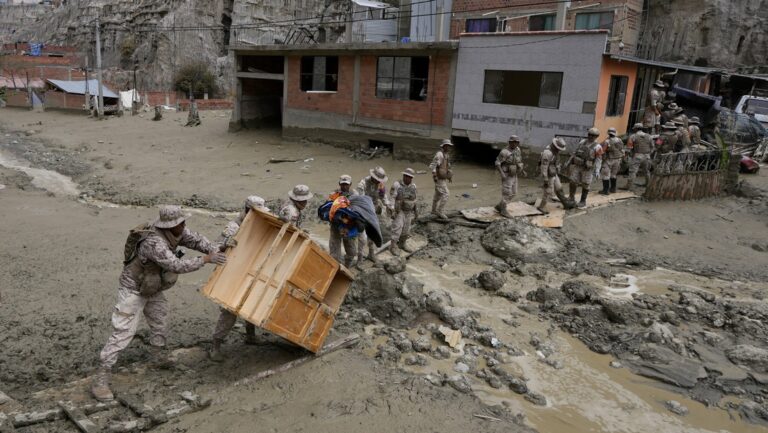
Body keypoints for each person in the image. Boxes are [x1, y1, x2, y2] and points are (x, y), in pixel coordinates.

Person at [92, 205, 227, 401]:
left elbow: (197, 240)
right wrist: (206, 259)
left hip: (152, 286)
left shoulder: (178, 231)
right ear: (169, 226)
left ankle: (158, 357)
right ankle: (101, 378)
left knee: (159, 320)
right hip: (133, 289)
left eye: (183, 222)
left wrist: (215, 249)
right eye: (181, 223)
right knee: (123, 332)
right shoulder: (154, 242)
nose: (184, 226)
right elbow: (176, 265)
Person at [209, 196, 269, 363]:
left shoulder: (258, 222)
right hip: (232, 273)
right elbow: (214, 247)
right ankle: (215, 346)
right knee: (229, 311)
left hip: (251, 269)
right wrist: (225, 244)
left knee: (250, 302)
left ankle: (250, 336)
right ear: (248, 210)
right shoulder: (233, 227)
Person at [356, 167, 389, 263]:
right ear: (372, 176)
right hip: (364, 210)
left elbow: (383, 197)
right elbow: (360, 199)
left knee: (373, 232)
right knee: (362, 237)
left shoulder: (380, 185)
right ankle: (359, 258)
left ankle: (371, 253)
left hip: (374, 210)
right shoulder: (363, 183)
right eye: (377, 179)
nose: (378, 182)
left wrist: (388, 205)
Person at [328, 175, 358, 267]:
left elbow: (358, 210)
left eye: (346, 184)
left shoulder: (355, 195)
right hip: (336, 226)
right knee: (334, 254)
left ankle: (347, 266)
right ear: (339, 184)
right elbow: (328, 208)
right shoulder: (334, 194)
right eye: (342, 184)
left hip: (349, 226)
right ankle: (334, 271)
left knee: (352, 252)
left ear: (350, 184)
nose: (344, 186)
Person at [567, 127, 600, 208]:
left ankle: (583, 201)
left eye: (593, 135)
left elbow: (599, 159)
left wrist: (597, 170)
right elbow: (575, 152)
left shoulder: (598, 147)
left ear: (596, 136)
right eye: (590, 134)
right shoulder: (582, 142)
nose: (591, 136)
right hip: (578, 165)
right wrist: (569, 161)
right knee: (572, 181)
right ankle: (571, 197)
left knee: (585, 184)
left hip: (588, 168)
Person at [389, 168, 418, 256]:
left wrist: (416, 212)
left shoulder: (413, 186)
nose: (408, 178)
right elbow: (392, 198)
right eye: (406, 176)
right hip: (399, 210)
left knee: (406, 228)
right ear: (404, 176)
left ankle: (402, 244)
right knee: (397, 227)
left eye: (410, 177)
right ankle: (393, 246)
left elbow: (415, 199)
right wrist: (392, 210)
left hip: (408, 210)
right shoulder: (397, 185)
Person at [494, 135, 525, 218]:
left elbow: (518, 161)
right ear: (510, 142)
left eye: (516, 142)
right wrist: (502, 174)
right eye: (513, 142)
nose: (515, 144)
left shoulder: (518, 150)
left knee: (514, 193)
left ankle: (500, 206)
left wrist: (522, 170)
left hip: (514, 173)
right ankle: (503, 210)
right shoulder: (504, 152)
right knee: (507, 193)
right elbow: (497, 163)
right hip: (506, 173)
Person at [537, 137, 569, 213]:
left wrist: (558, 168)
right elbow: (544, 167)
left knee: (559, 187)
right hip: (548, 174)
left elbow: (556, 162)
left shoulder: (555, 152)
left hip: (553, 172)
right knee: (548, 191)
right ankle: (541, 207)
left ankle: (565, 202)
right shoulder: (547, 153)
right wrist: (545, 178)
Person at [429, 138, 454, 220]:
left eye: (450, 146)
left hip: (443, 178)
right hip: (439, 179)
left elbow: (447, 167)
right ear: (444, 146)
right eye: (448, 146)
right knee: (446, 194)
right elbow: (433, 166)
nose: (449, 148)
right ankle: (440, 211)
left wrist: (449, 176)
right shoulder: (439, 154)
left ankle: (433, 210)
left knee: (437, 195)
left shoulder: (446, 155)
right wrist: (434, 176)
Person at [626, 123, 653, 192]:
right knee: (646, 171)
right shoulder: (649, 136)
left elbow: (629, 147)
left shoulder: (633, 136)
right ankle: (648, 184)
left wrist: (628, 155)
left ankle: (629, 186)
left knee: (633, 171)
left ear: (635, 129)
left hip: (637, 155)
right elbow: (652, 146)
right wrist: (649, 153)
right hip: (647, 156)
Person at [599, 127, 625, 195]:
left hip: (609, 160)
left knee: (605, 175)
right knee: (613, 175)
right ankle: (613, 189)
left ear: (608, 133)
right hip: (618, 159)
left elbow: (603, 151)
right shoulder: (619, 140)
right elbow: (622, 149)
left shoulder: (607, 141)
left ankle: (605, 190)